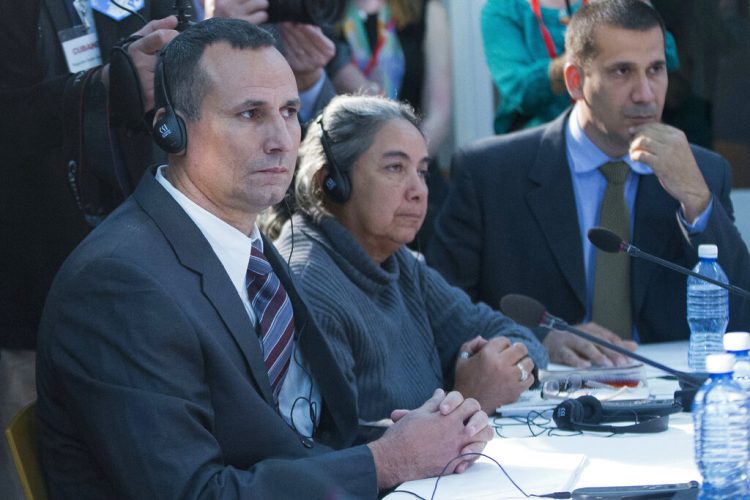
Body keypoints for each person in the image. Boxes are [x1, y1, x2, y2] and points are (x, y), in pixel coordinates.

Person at [35, 19, 493, 498]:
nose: (281, 139)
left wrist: (418, 435)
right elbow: (193, 493)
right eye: (251, 114)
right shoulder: (120, 284)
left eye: (290, 110)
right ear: (171, 130)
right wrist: (387, 461)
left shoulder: (247, 245)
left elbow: (295, 440)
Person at [428, 0, 750, 367]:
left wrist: (697, 199)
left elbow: (740, 314)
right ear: (575, 81)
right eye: (622, 72)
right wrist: (538, 340)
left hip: (669, 402)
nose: (645, 93)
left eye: (655, 69)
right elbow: (440, 315)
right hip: (539, 407)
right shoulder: (489, 173)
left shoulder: (702, 172)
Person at [271, 95, 548, 429]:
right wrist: (468, 400)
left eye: (423, 171)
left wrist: (502, 366)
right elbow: (337, 451)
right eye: (395, 168)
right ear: (331, 182)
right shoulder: (308, 283)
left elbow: (516, 337)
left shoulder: (400, 263)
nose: (419, 190)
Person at [481, 0, 679, 135]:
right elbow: (520, 92)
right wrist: (586, 55)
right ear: (573, 79)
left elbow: (666, 55)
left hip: (622, 133)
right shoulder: (502, 9)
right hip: (541, 143)